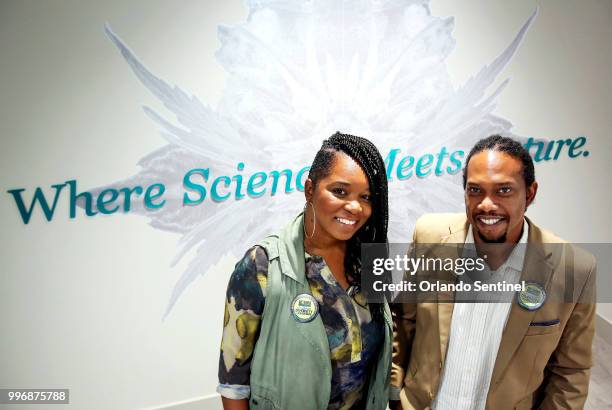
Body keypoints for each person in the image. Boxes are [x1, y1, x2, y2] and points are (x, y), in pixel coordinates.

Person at [390, 135, 596, 409]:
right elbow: (404, 322)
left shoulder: (573, 269)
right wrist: (393, 393)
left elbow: (570, 373)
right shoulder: (430, 236)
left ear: (530, 193)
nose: (487, 204)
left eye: (504, 191)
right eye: (475, 190)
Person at [218, 132, 392, 410]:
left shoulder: (369, 260)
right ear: (310, 188)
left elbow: (383, 356)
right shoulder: (262, 265)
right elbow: (233, 382)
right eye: (340, 191)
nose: (355, 207)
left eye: (367, 196)